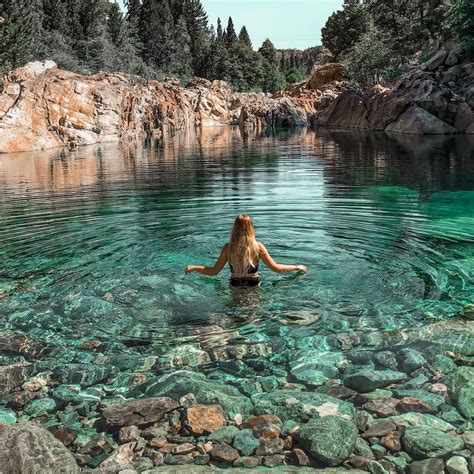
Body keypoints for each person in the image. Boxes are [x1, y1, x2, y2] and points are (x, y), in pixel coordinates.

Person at [185, 214, 308, 287]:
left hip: (235, 285)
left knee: (236, 316)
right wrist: (297, 267)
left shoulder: (228, 248)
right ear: (251, 228)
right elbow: (276, 268)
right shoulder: (258, 247)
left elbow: (214, 271)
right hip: (253, 284)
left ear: (234, 228)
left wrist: (194, 267)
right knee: (252, 316)